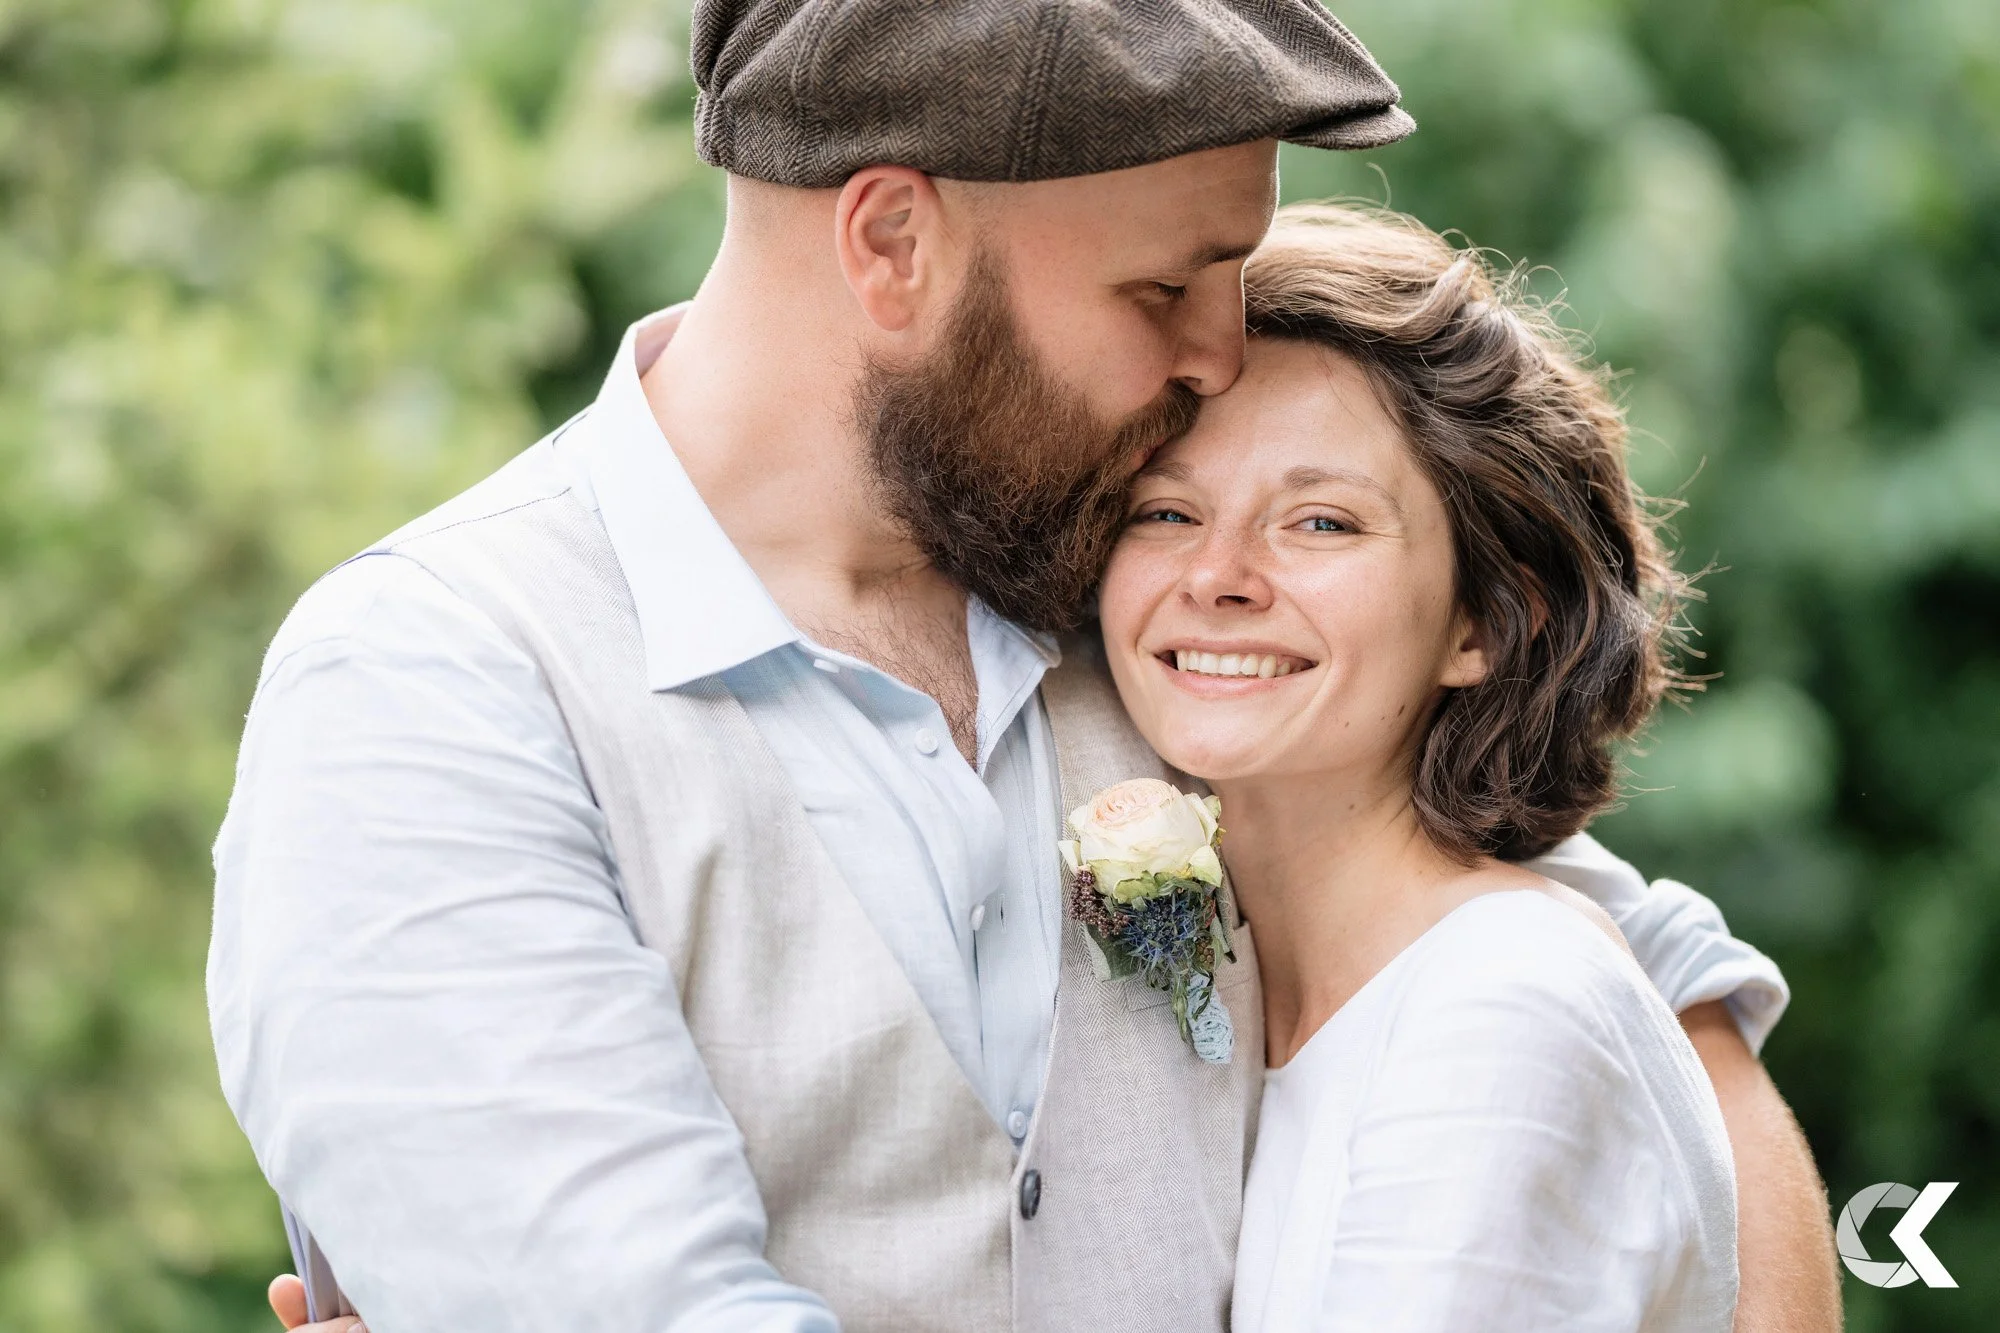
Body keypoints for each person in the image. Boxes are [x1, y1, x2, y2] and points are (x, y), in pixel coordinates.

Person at [216, 3, 1839, 1331]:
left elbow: (1609, 960)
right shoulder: (436, 694)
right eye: (1161, 286)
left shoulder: (1130, 576)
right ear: (895, 241)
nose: (1219, 353)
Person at [1097, 203, 1741, 1329]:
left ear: (1482, 623)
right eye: (1165, 509)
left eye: (1321, 523)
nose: (1218, 574)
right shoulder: (1215, 1003)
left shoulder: (1501, 1003)